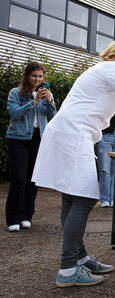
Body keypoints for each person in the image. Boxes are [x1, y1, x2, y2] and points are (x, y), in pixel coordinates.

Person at [31, 39, 115, 287]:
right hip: (73, 134)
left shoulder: (108, 72)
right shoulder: (114, 69)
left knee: (72, 198)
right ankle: (67, 269)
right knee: (83, 199)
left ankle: (79, 259)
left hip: (69, 133)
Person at [5, 61, 56, 232]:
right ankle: (14, 217)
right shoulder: (16, 93)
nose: (37, 79)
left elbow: (53, 117)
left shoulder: (46, 93)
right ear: (27, 76)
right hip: (18, 139)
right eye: (34, 76)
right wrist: (33, 102)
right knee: (19, 178)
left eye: (40, 76)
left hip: (38, 138)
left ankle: (27, 216)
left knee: (32, 180)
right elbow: (14, 113)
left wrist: (49, 102)